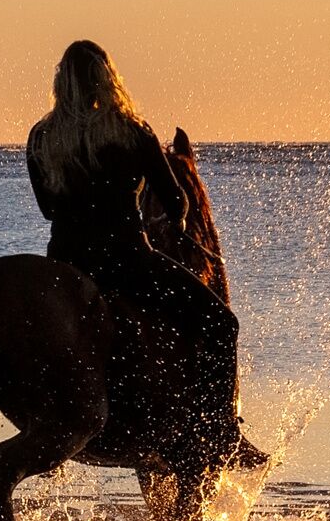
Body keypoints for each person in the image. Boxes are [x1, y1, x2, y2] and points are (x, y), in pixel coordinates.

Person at [23, 40, 244, 466]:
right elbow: (176, 201)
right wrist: (176, 222)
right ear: (107, 78)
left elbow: (47, 208)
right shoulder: (130, 129)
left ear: (60, 82)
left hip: (64, 266)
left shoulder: (42, 136)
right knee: (221, 324)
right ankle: (220, 432)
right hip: (125, 262)